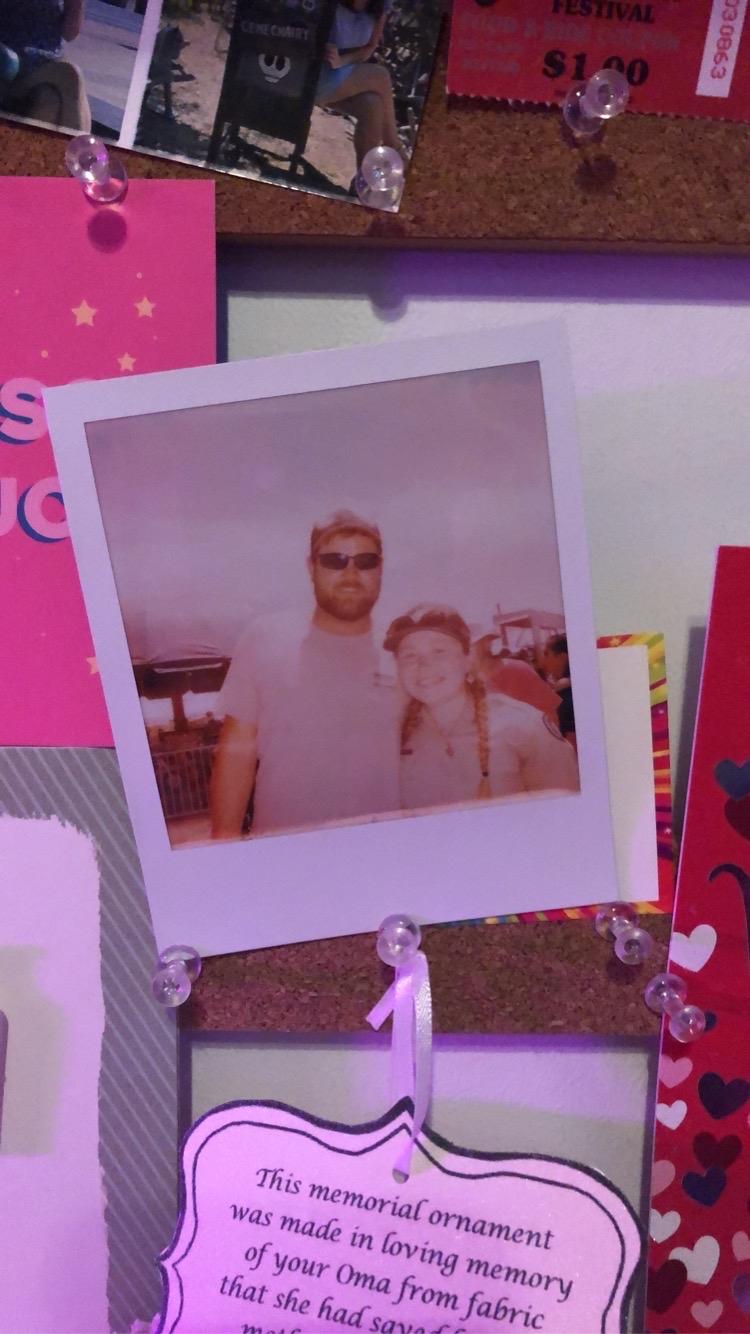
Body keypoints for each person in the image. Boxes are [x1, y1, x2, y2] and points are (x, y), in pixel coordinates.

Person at [209, 509, 399, 839]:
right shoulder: (264, 638)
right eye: (335, 560)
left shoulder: (405, 651)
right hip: (285, 855)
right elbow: (237, 752)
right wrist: (223, 840)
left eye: (365, 561)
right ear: (311, 567)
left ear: (380, 569)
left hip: (385, 853)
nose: (351, 573)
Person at [384, 605, 579, 812]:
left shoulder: (524, 726)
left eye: (438, 651)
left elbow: (567, 814)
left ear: (467, 659)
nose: (424, 665)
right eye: (409, 655)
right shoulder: (390, 740)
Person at [315, 0, 401, 177]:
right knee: (381, 76)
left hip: (341, 71)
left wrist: (341, 61)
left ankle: (365, 178)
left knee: (372, 104)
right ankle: (394, 146)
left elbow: (369, 48)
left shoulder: (380, 5)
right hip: (312, 73)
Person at [0, 0, 91, 132]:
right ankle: (81, 150)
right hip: (11, 59)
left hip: (45, 61)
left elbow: (70, 34)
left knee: (49, 100)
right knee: (70, 73)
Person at [475, 633, 562, 716]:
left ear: (485, 644)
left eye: (466, 646)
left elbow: (551, 710)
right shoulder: (472, 683)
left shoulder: (517, 669)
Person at [542, 632, 575, 744]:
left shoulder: (566, 695)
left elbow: (572, 741)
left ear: (562, 657)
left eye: (547, 654)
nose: (544, 661)